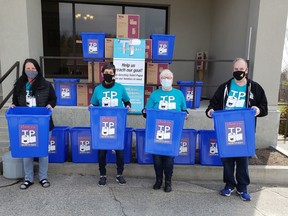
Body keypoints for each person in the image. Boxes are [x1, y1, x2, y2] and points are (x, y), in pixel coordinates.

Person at [205, 57, 268, 201]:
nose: (238, 72)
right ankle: (229, 185)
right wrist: (210, 111)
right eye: (236, 69)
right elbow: (213, 104)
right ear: (232, 70)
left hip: (245, 130)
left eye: (241, 69)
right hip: (226, 129)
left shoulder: (255, 88)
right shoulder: (225, 87)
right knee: (227, 159)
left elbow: (264, 107)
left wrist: (258, 110)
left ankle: (242, 187)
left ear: (246, 71)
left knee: (242, 160)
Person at [11, 58, 57, 190]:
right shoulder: (19, 84)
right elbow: (15, 101)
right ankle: (28, 179)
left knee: (43, 152)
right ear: (24, 70)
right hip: (25, 123)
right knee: (27, 151)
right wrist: (13, 106)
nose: (30, 71)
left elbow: (53, 99)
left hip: (42, 124)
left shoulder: (46, 85)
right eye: (28, 68)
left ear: (37, 69)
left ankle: (43, 177)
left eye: (33, 68)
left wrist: (50, 105)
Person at [142, 69, 189, 192]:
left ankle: (168, 181)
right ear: (160, 80)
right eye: (164, 78)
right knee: (157, 159)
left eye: (169, 78)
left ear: (172, 80)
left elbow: (184, 110)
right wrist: (144, 111)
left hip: (172, 133)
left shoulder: (179, 94)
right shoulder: (155, 94)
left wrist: (185, 114)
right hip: (157, 132)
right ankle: (158, 180)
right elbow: (147, 111)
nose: (166, 80)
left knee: (169, 160)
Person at [89, 63, 131, 187]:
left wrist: (128, 106)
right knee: (102, 152)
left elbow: (127, 102)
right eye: (106, 73)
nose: (108, 75)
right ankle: (102, 175)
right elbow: (94, 104)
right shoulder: (98, 90)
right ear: (102, 74)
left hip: (117, 125)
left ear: (114, 74)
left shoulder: (120, 88)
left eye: (111, 73)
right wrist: (92, 107)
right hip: (102, 125)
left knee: (119, 151)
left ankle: (119, 175)